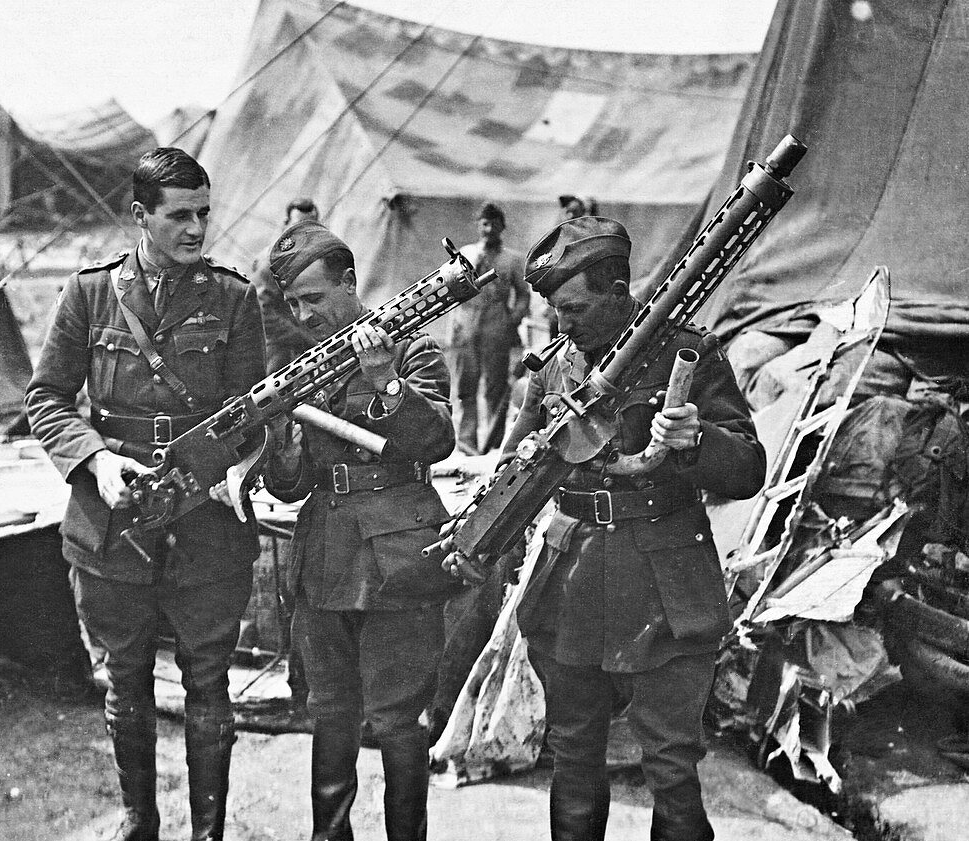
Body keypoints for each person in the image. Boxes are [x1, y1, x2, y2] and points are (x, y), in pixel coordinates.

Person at [482, 216, 766, 841]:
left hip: (663, 577)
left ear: (618, 290)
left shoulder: (685, 350)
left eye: (576, 309)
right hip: (572, 576)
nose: (563, 325)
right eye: (555, 311)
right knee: (575, 758)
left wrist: (696, 441)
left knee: (669, 763)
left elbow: (748, 468)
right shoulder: (554, 366)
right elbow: (512, 464)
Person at [25, 147, 266, 841]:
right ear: (141, 215)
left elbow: (253, 415)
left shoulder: (232, 297)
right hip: (113, 519)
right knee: (124, 677)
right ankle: (140, 819)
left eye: (204, 213)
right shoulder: (90, 293)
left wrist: (235, 473)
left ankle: (209, 831)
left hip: (205, 522)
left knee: (209, 680)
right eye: (180, 215)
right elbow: (46, 398)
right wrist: (94, 460)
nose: (197, 228)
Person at [219, 219, 459, 841]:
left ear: (350, 283)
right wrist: (283, 448)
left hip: (397, 555)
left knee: (400, 720)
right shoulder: (302, 367)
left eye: (314, 299)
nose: (303, 315)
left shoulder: (411, 348)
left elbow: (437, 440)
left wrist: (384, 383)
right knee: (330, 716)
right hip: (325, 555)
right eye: (293, 303)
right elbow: (292, 488)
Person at [446, 201, 531, 454]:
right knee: (465, 388)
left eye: (494, 223)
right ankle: (467, 443)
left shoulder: (512, 259)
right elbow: (452, 289)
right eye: (484, 223)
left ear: (502, 226)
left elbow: (523, 295)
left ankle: (492, 444)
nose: (489, 229)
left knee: (495, 388)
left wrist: (511, 320)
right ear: (478, 225)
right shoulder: (466, 253)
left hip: (497, 329)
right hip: (466, 328)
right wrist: (474, 260)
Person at [250, 197, 320, 373]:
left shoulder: (303, 259)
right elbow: (261, 312)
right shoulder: (270, 262)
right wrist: (305, 339)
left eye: (308, 228)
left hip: (297, 351)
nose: (301, 233)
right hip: (273, 350)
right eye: (296, 226)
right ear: (285, 224)